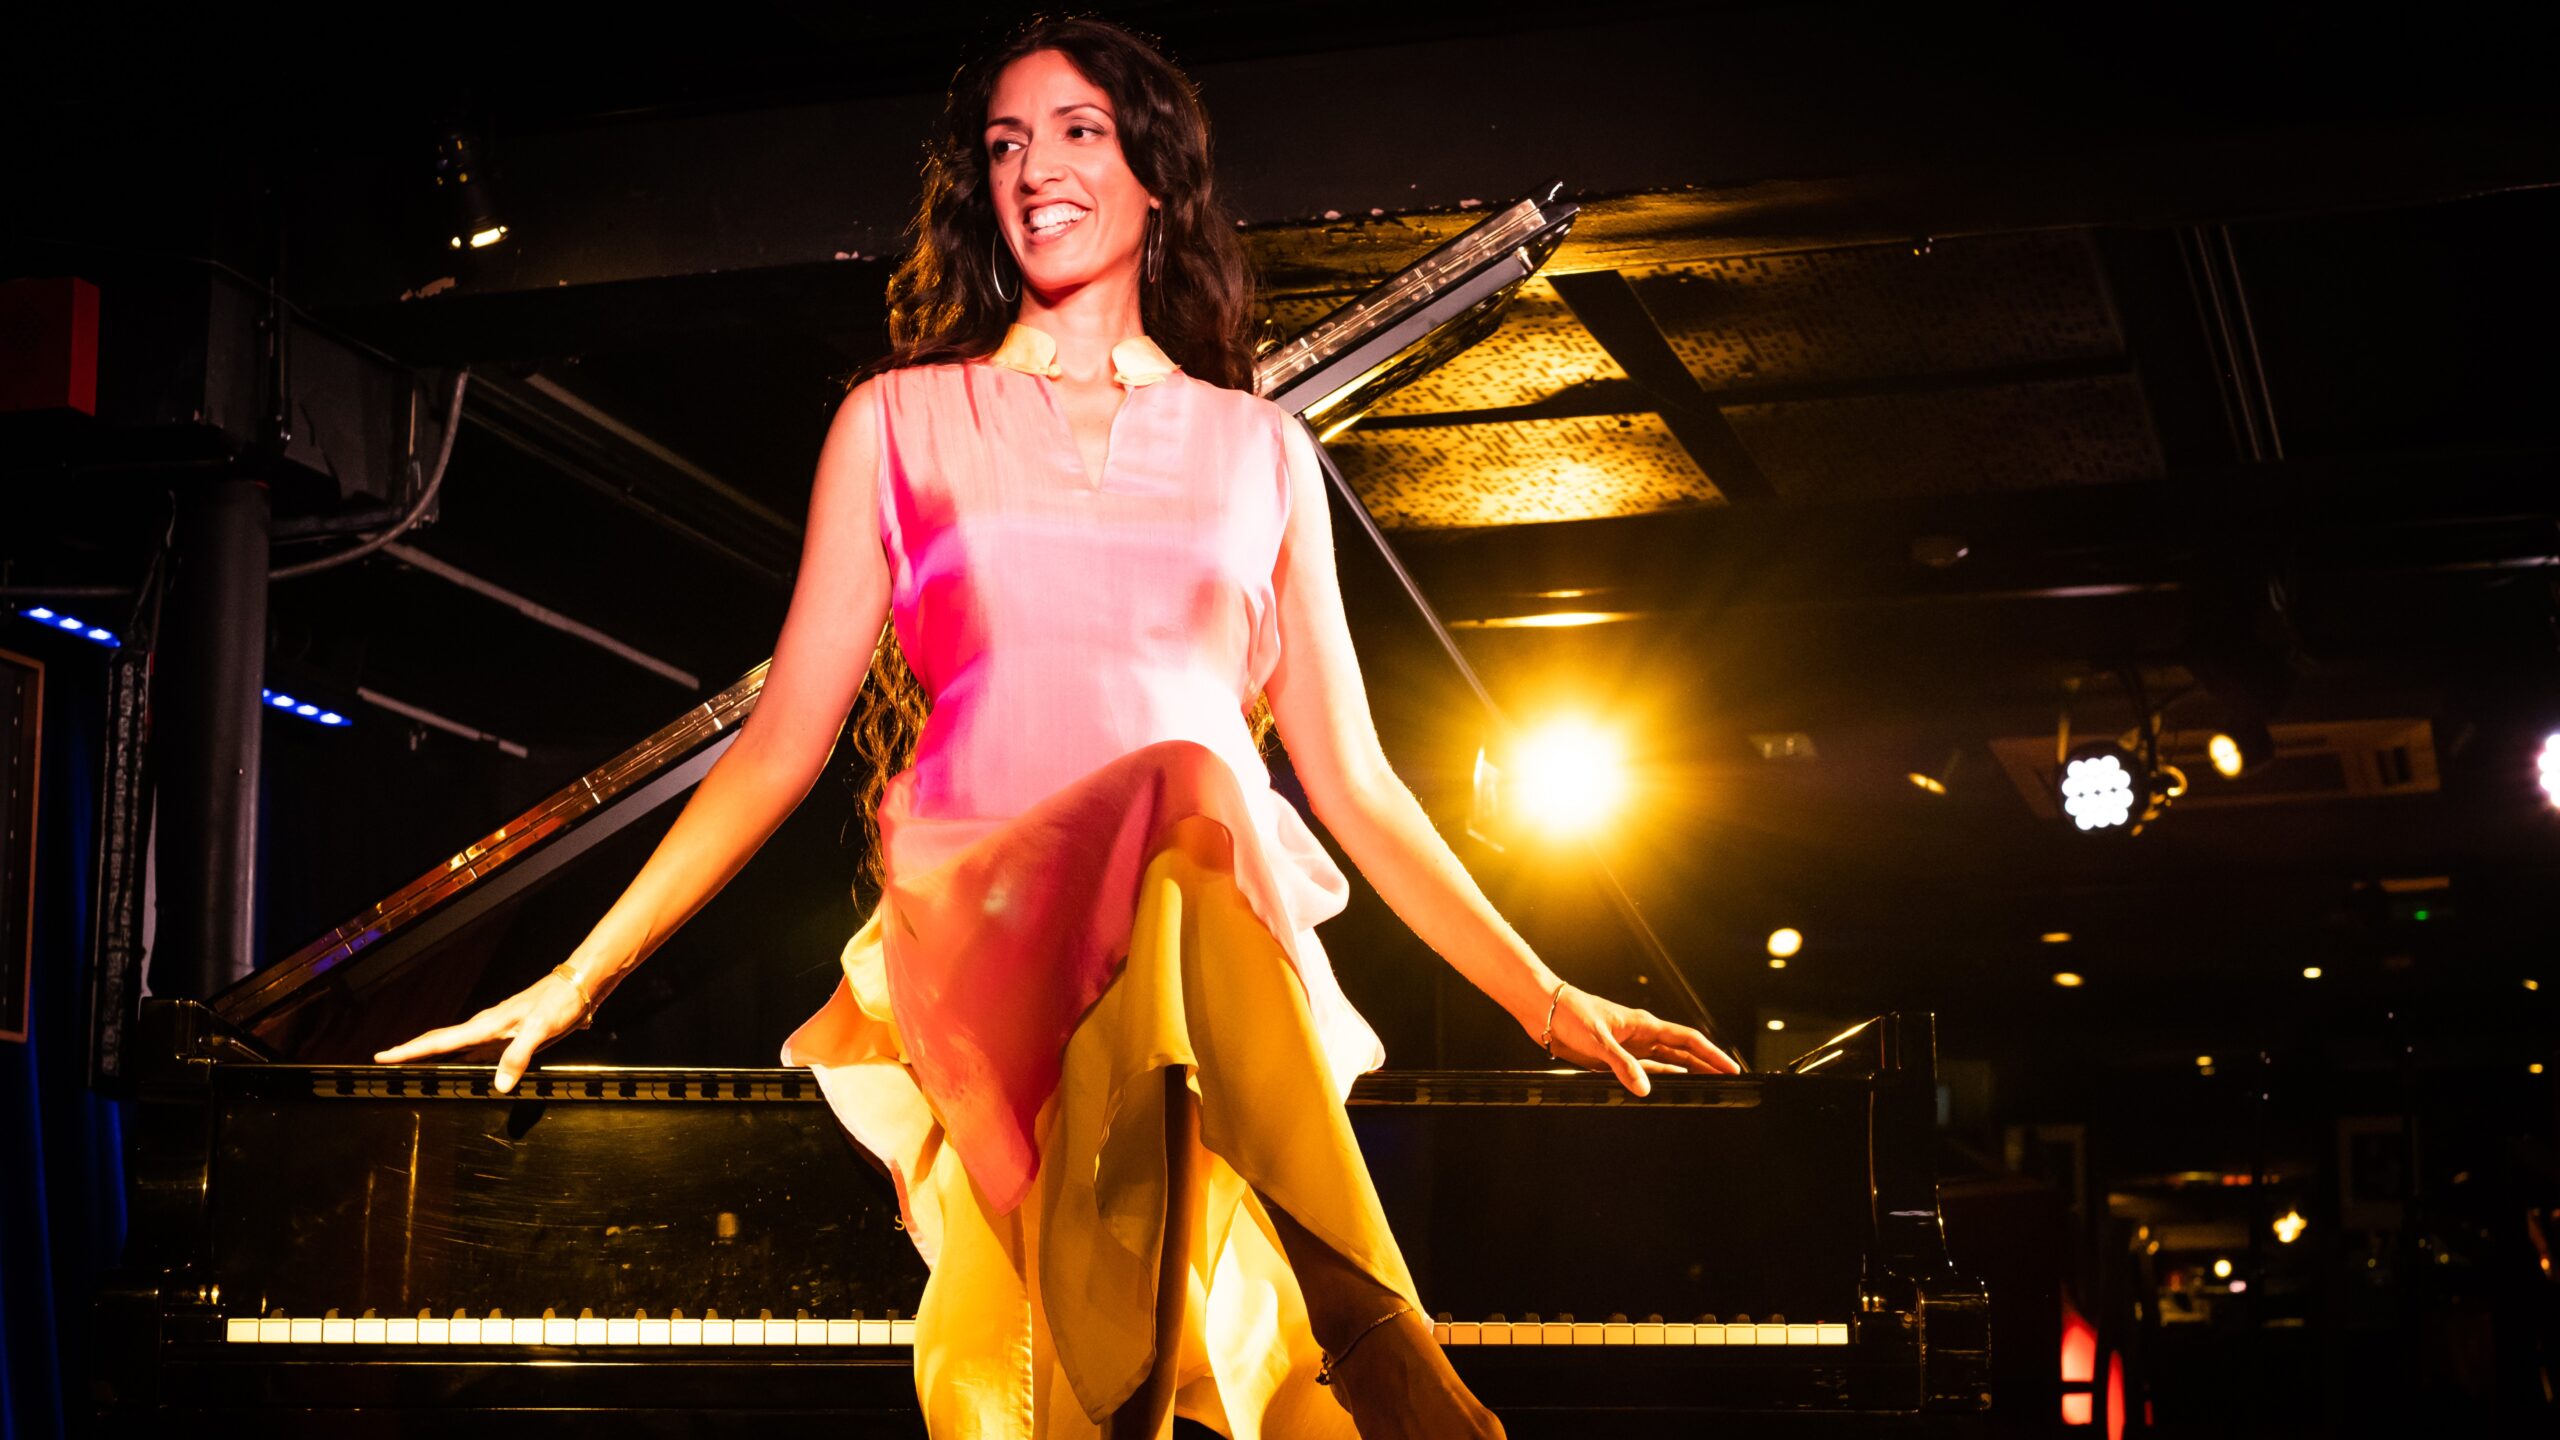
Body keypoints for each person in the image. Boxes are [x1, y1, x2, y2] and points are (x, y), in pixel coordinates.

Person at [372, 15, 1739, 1439]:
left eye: (1080, 131)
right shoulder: (896, 421)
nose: (1037, 169)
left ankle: (1308, 1331)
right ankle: (1377, 1328)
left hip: (1202, 958)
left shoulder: (1263, 448)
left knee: (1189, 825)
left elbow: (1354, 778)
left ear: (1157, 175)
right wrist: (577, 980)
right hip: (987, 915)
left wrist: (1545, 996)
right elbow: (782, 741)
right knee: (1194, 783)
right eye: (1009, 143)